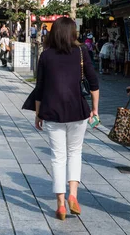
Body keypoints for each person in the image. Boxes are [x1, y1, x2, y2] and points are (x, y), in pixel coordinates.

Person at [23, 17, 99, 221]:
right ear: (72, 33)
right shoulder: (82, 52)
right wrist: (96, 109)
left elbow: (40, 88)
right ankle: (73, 195)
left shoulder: (46, 55)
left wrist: (38, 114)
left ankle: (60, 204)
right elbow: (93, 82)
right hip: (78, 111)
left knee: (58, 157)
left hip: (53, 111)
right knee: (75, 153)